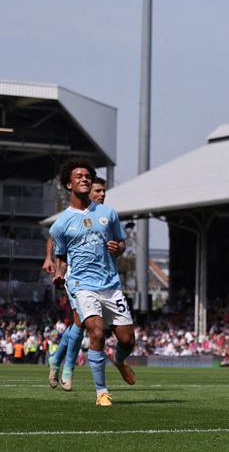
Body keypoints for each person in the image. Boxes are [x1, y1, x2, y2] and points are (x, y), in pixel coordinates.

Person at [49, 159, 135, 407]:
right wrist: (58, 273)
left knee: (127, 340)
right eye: (79, 176)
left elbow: (121, 244)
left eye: (87, 175)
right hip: (82, 285)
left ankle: (119, 360)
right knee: (96, 331)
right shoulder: (60, 224)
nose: (85, 179)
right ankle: (102, 393)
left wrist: (117, 248)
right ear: (69, 184)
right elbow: (62, 258)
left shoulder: (108, 214)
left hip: (110, 284)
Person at [43, 175, 109, 391]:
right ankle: (68, 369)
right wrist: (49, 259)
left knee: (78, 324)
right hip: (74, 274)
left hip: (97, 277)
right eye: (97, 191)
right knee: (81, 322)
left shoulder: (103, 216)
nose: (101, 195)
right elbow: (54, 235)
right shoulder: (73, 214)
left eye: (102, 191)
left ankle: (55, 361)